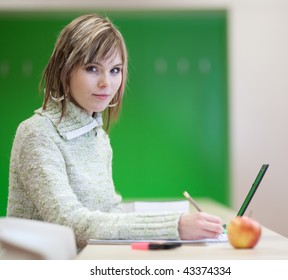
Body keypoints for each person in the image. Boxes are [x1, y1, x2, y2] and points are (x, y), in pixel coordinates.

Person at [6, 14, 223, 249]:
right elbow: (68, 223)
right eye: (92, 68)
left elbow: (109, 210)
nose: (106, 83)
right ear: (64, 70)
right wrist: (174, 226)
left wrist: (164, 229)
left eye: (115, 70)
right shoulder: (37, 133)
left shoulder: (98, 136)